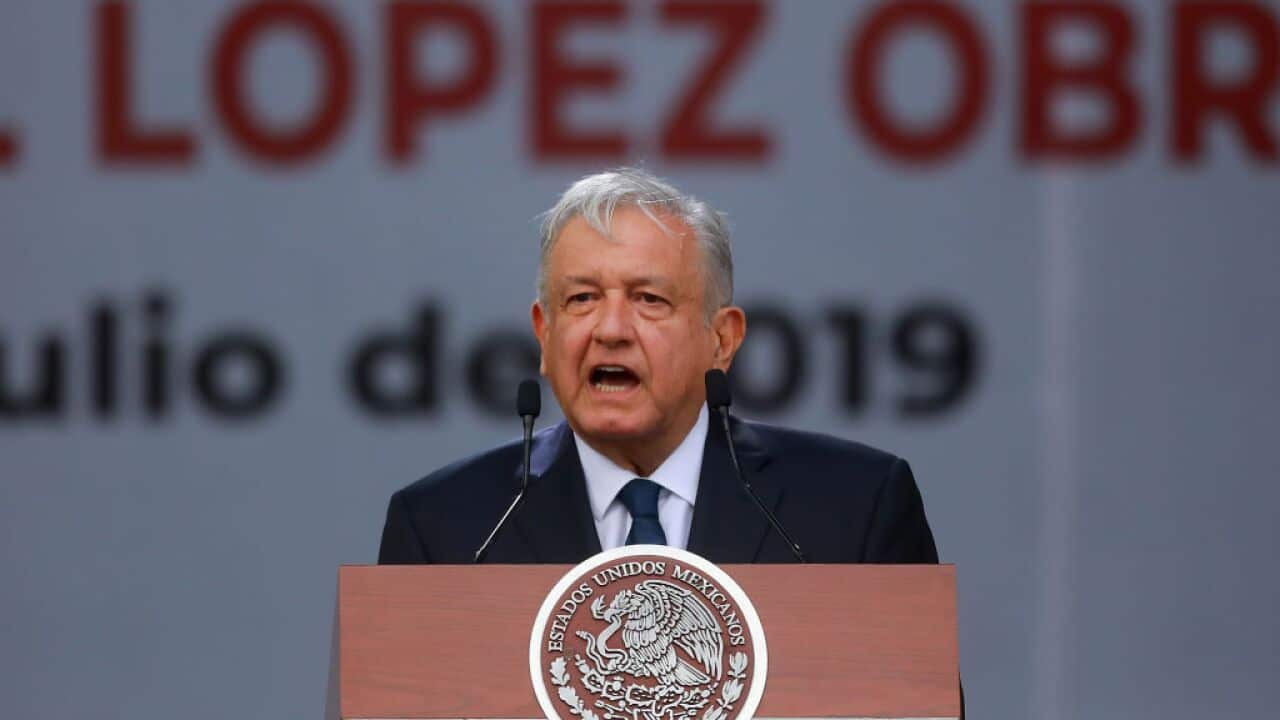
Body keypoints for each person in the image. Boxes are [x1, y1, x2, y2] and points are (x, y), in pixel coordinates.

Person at [378, 168, 939, 566]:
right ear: (544, 336)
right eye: (581, 300)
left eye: (649, 299)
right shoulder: (445, 530)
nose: (611, 328)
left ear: (722, 339)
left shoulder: (854, 508)